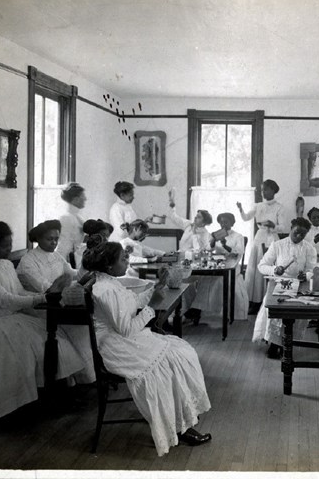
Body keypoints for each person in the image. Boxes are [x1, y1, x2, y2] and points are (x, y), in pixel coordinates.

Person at [0, 222, 86, 424]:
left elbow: (19, 293)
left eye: (10, 244)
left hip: (10, 317)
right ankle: (11, 408)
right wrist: (42, 298)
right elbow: (5, 299)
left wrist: (43, 295)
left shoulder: (5, 264)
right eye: (5, 246)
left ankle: (53, 396)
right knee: (18, 350)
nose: (9, 250)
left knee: (51, 339)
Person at [83, 241, 212, 455]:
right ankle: (178, 426)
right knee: (173, 360)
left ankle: (180, 422)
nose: (127, 261)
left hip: (123, 339)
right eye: (123, 259)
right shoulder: (104, 290)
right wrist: (151, 307)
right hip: (116, 346)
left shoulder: (110, 282)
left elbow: (132, 302)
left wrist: (156, 287)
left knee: (181, 353)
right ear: (109, 266)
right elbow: (126, 328)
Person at [17, 220, 95, 383]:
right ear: (38, 238)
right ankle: (82, 378)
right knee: (77, 326)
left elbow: (73, 274)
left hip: (57, 301)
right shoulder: (28, 261)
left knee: (86, 325)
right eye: (49, 239)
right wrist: (67, 284)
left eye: (56, 239)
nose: (54, 243)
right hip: (40, 306)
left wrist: (86, 266)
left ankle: (90, 376)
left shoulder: (56, 255)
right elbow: (47, 288)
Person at [252, 217, 317, 358]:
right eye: (296, 232)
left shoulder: (309, 248)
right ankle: (274, 344)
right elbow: (262, 266)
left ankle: (287, 343)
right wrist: (275, 269)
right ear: (291, 229)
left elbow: (312, 270)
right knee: (277, 311)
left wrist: (305, 275)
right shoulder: (277, 245)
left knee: (296, 313)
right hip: (279, 283)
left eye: (302, 235)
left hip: (299, 285)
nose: (299, 236)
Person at [237, 179, 286, 315]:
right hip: (260, 238)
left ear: (273, 190)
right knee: (256, 270)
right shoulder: (258, 205)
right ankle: (255, 302)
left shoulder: (279, 207)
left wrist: (273, 225)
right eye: (262, 189)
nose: (263, 192)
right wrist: (241, 209)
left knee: (269, 268)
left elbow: (283, 228)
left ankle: (269, 300)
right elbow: (246, 217)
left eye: (266, 189)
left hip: (272, 239)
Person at [168, 193, 213, 323]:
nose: (195, 218)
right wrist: (172, 206)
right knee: (174, 279)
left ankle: (186, 312)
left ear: (204, 222)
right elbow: (174, 218)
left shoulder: (205, 234)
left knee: (183, 282)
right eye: (196, 215)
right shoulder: (188, 224)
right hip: (179, 258)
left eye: (198, 217)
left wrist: (194, 235)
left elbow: (201, 251)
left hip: (193, 261)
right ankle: (187, 310)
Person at [210, 212, 249, 320]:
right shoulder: (216, 234)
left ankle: (227, 313)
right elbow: (209, 250)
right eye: (221, 222)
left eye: (226, 222)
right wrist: (213, 242)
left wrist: (225, 245)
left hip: (232, 265)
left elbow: (239, 252)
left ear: (232, 223)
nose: (223, 225)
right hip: (217, 265)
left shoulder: (238, 236)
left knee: (222, 281)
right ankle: (202, 311)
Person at [56, 182, 87, 268]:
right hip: (68, 261)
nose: (85, 199)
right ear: (75, 199)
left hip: (75, 258)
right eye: (83, 196)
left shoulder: (77, 217)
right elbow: (64, 246)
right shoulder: (66, 218)